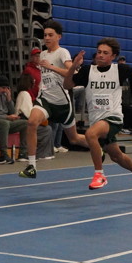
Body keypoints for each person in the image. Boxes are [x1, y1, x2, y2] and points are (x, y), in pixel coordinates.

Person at [64, 38, 132, 191]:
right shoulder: (87, 71)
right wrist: (73, 66)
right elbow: (67, 85)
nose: (100, 55)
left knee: (90, 134)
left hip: (113, 117)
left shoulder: (119, 70)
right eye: (99, 52)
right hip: (96, 119)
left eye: (105, 53)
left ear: (113, 56)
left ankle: (99, 174)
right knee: (117, 156)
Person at [18, 21, 88, 179]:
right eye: (45, 35)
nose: (47, 38)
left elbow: (72, 74)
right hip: (45, 100)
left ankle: (98, 147)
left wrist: (53, 67)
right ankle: (31, 166)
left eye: (50, 35)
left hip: (62, 103)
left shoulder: (62, 52)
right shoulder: (43, 54)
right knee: (31, 122)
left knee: (74, 139)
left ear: (59, 37)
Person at [14, 72, 53, 159]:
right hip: (24, 121)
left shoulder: (22, 93)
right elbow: (29, 113)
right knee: (47, 129)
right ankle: (42, 154)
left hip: (23, 120)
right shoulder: (25, 94)